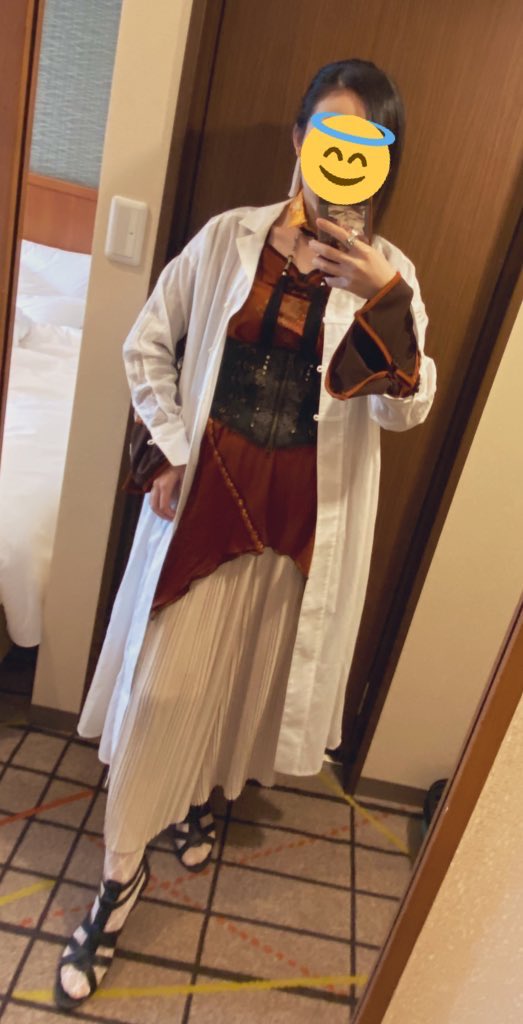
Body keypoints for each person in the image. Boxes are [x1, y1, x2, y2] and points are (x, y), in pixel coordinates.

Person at [54, 58, 436, 1009]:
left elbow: (402, 412)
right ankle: (117, 880)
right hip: (209, 510)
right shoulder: (229, 239)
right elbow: (148, 341)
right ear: (300, 139)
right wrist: (169, 450)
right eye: (327, 134)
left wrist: (383, 299)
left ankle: (194, 804)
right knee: (161, 693)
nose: (339, 158)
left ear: (382, 163)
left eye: (364, 144)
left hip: (302, 533)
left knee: (243, 692)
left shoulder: (392, 277)